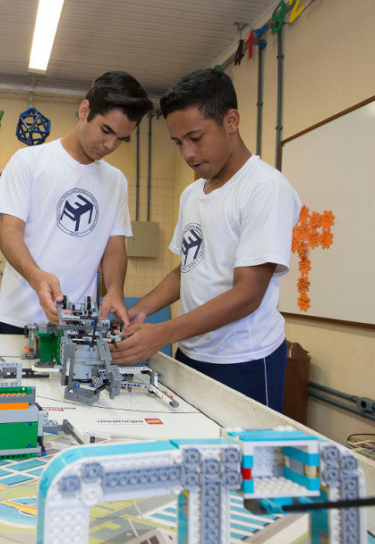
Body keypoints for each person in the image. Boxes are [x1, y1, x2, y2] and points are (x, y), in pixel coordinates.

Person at [110, 69, 301, 411]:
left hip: (243, 360)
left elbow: (248, 295)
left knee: (238, 448)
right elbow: (188, 269)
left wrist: (164, 332)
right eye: (178, 142)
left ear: (231, 121)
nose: (187, 153)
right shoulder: (192, 194)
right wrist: (142, 310)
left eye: (196, 138)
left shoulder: (265, 189)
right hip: (191, 352)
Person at [0, 71, 153, 333]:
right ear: (85, 110)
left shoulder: (116, 181)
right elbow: (10, 234)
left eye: (121, 138)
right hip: (19, 317)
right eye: (106, 130)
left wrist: (115, 290)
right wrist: (37, 276)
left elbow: (114, 247)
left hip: (78, 322)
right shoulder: (29, 161)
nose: (110, 145)